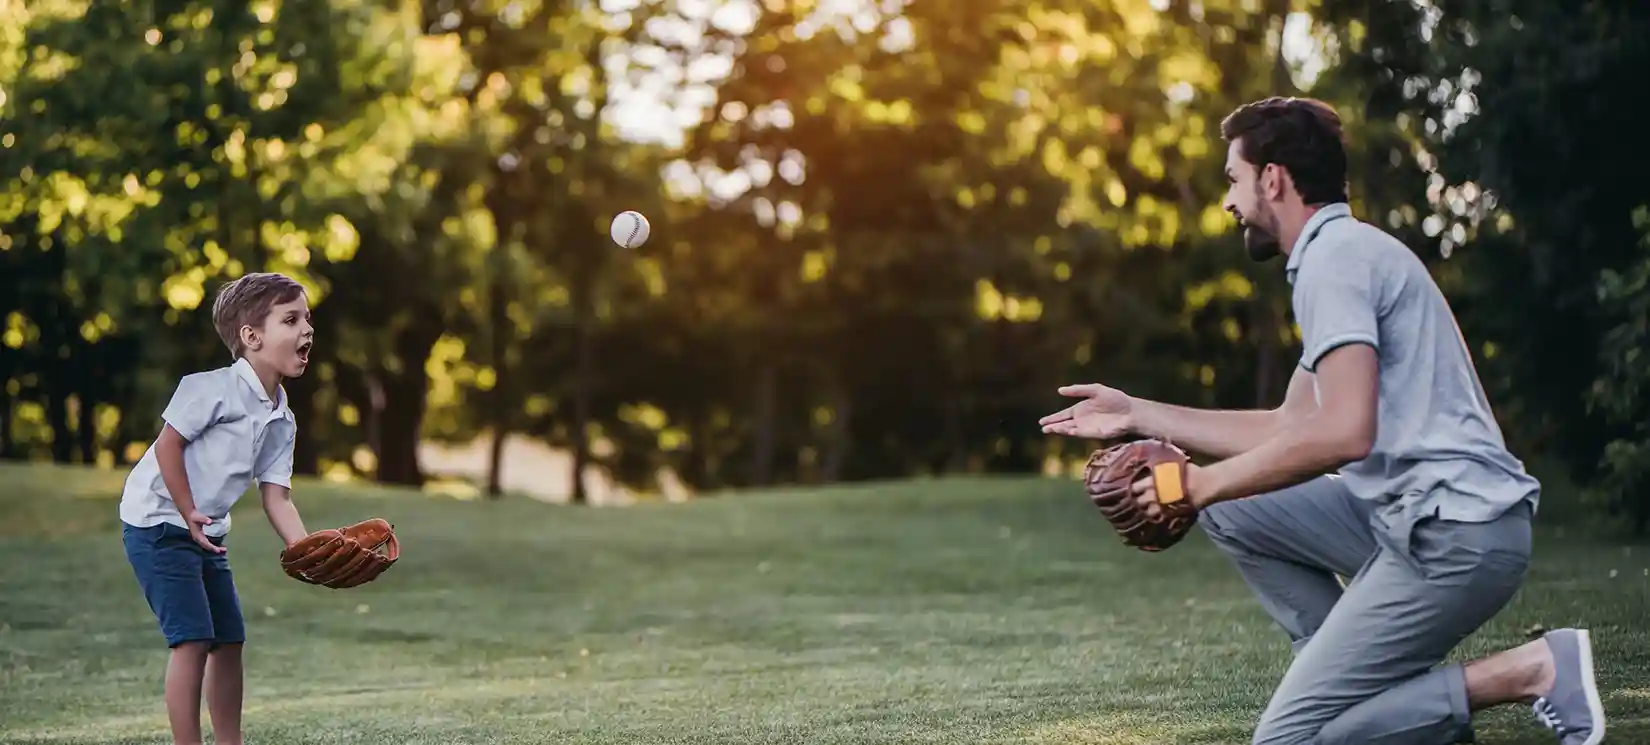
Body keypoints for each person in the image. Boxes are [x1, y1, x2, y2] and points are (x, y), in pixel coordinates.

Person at [1039, 97, 1606, 745]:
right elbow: (1290, 424)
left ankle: (1529, 669)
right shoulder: (1340, 251)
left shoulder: (1334, 262)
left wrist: (1198, 485)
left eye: (1233, 179)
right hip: (1419, 520)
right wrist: (1137, 412)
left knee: (1287, 740)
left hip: (1455, 534)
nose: (1229, 202)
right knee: (1231, 508)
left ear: (1273, 178)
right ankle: (1361, 685)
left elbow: (1343, 432)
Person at [119, 272, 316, 745]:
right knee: (192, 640)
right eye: (291, 319)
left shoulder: (281, 417)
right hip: (157, 522)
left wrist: (308, 549)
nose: (307, 329)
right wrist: (187, 510)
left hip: (208, 532)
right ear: (252, 337)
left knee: (229, 642)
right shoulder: (209, 388)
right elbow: (168, 447)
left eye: (308, 318)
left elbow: (277, 496)